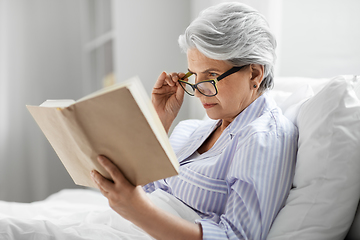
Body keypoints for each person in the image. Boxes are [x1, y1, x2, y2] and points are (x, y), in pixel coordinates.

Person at [90, 2, 298, 240]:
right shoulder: (193, 130)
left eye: (211, 75)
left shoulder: (262, 139)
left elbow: (237, 237)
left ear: (254, 74)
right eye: (193, 76)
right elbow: (145, 190)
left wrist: (139, 212)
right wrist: (160, 119)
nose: (198, 92)